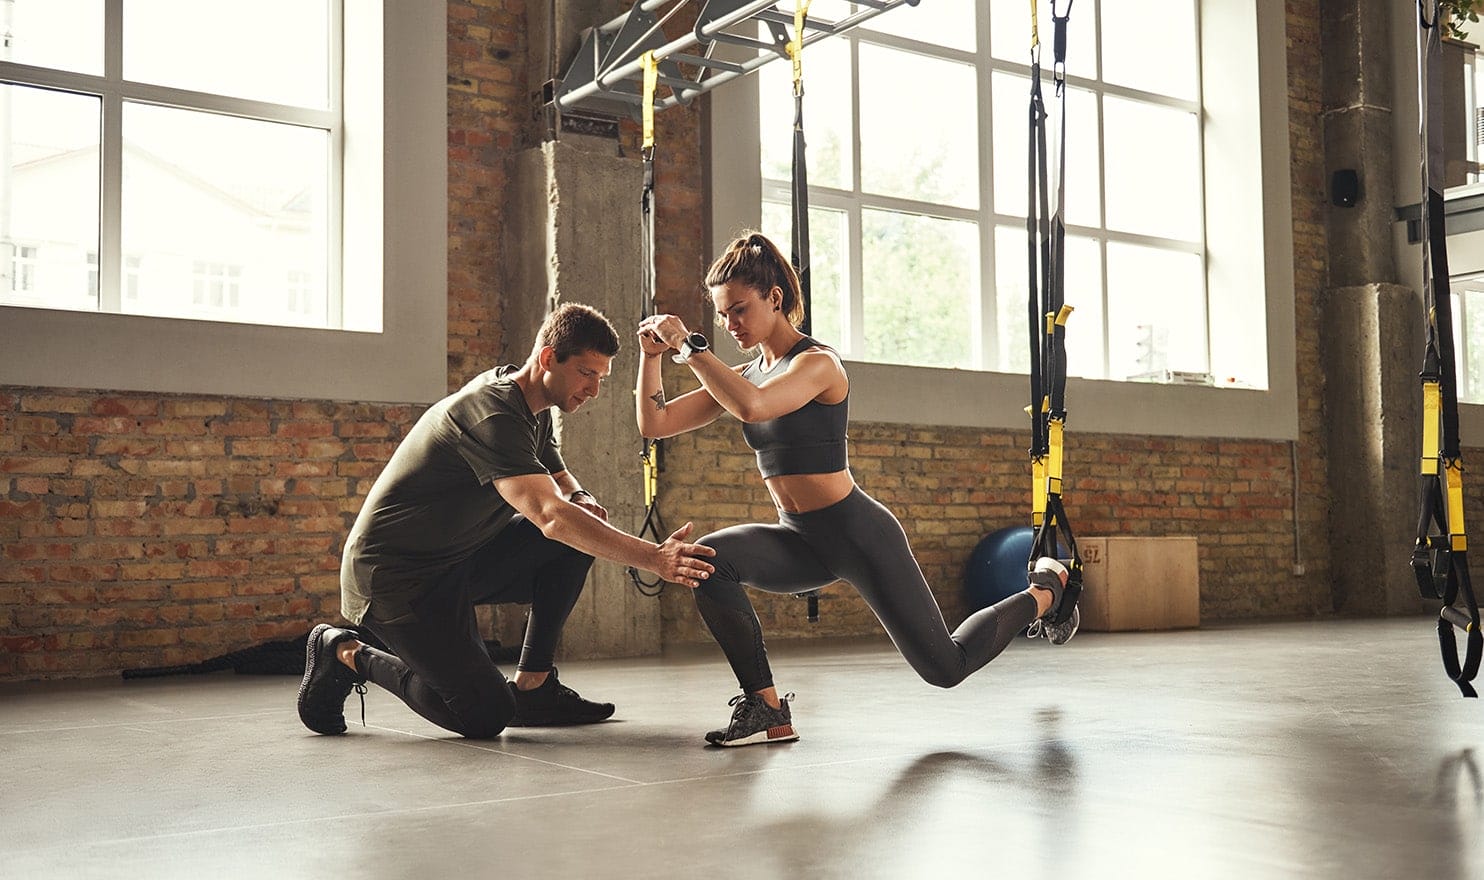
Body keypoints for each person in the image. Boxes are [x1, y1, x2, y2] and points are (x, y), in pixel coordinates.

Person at [634, 232, 1078, 747]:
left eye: (738, 310)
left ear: (774, 298)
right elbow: (656, 423)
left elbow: (753, 407)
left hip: (858, 534)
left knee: (946, 666)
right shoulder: (745, 372)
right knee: (708, 561)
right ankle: (767, 710)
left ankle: (1048, 591)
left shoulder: (817, 364)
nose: (730, 325)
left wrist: (689, 347)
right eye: (722, 316)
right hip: (799, 538)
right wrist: (651, 357)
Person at [297, 303, 716, 739]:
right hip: (395, 577)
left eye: (602, 378)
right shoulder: (495, 413)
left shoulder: (532, 403)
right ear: (549, 358)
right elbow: (550, 517)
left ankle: (534, 688)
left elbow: (556, 474)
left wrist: (580, 496)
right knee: (484, 714)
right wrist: (655, 558)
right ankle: (344, 652)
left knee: (574, 538)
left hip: (457, 559)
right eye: (587, 374)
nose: (594, 390)